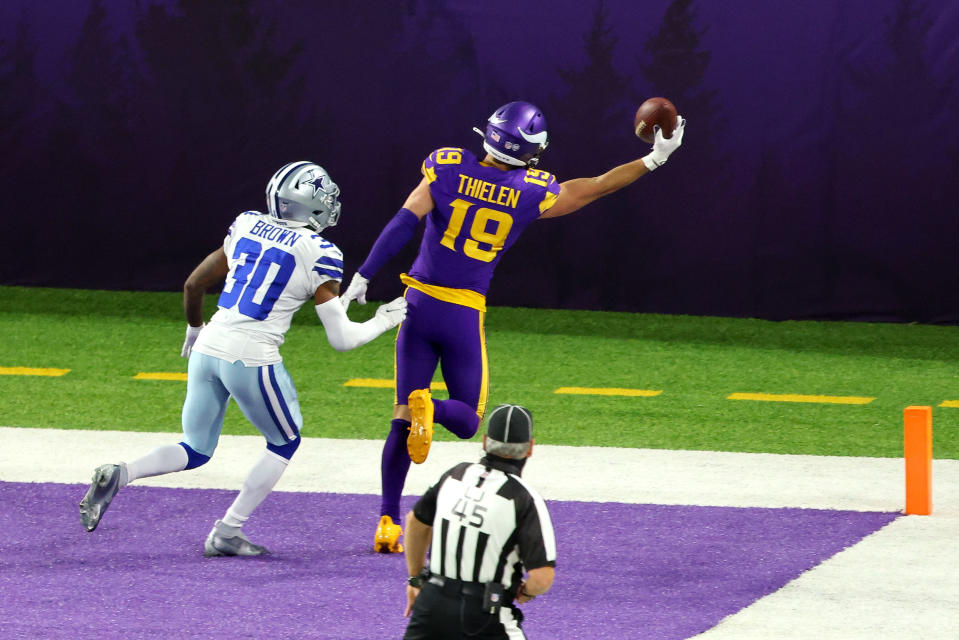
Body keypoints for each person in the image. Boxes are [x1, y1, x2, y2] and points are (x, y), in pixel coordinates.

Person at [340, 100, 685, 553]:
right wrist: (654, 158)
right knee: (466, 420)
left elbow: (405, 221)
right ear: (532, 152)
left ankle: (387, 521)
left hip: (417, 305)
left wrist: (364, 274)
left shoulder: (446, 166)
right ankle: (432, 407)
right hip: (462, 313)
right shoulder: (529, 189)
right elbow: (594, 187)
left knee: (400, 418)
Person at [78, 161, 407, 556]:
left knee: (196, 448)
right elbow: (342, 339)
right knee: (284, 441)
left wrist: (195, 328)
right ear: (311, 204)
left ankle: (123, 472)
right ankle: (227, 532)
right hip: (251, 356)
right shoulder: (318, 251)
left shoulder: (247, 224)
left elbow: (194, 283)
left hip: (209, 345)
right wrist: (385, 320)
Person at [402, 404, 555, 639]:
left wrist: (416, 578)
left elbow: (415, 521)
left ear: (485, 442)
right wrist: (528, 591)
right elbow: (542, 576)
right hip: (484, 612)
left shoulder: (455, 475)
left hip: (432, 604)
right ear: (530, 448)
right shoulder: (524, 498)